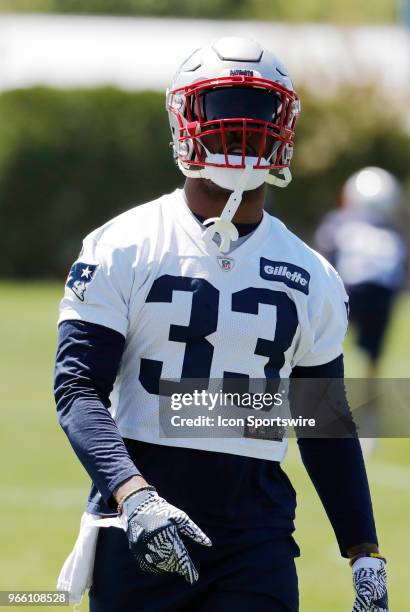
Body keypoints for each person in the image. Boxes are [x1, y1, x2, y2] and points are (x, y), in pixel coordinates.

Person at [54, 37, 388, 612]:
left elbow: (323, 421)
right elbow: (77, 388)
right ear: (186, 119)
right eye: (223, 109)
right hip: (137, 530)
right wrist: (134, 495)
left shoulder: (313, 276)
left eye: (257, 113)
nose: (240, 127)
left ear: (283, 125)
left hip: (255, 538)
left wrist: (363, 549)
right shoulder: (124, 244)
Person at [315, 167, 407, 378]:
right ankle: (369, 396)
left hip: (350, 287)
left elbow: (325, 254)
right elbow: (400, 271)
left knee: (324, 341)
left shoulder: (339, 222)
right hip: (383, 292)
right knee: (372, 354)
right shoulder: (393, 234)